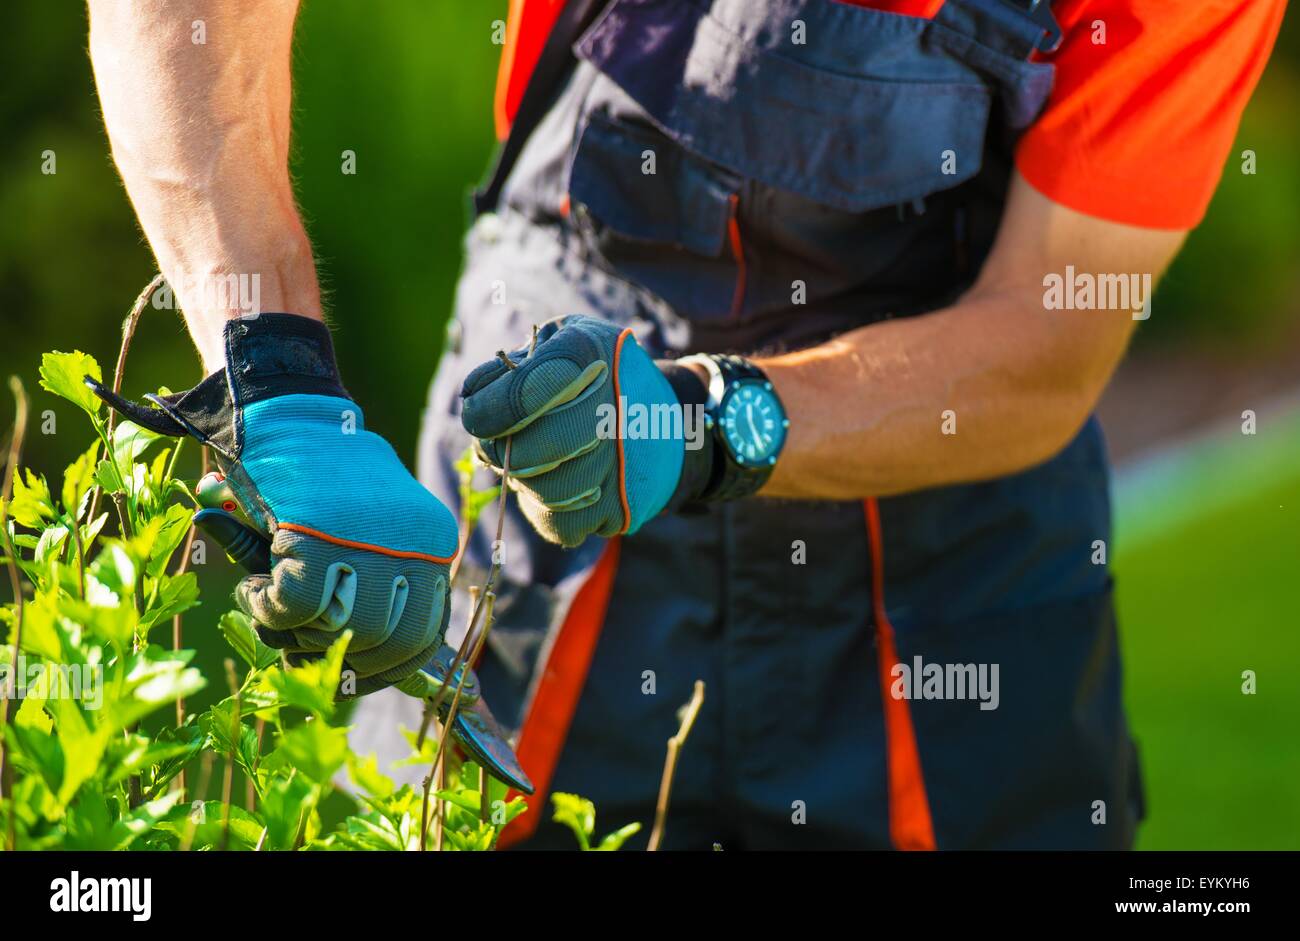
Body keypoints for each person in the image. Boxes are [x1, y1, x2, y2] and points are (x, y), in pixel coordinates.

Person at [86, 0, 1284, 849]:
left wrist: (719, 422)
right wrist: (278, 377)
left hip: (947, 584)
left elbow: (1046, 334)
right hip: (535, 489)